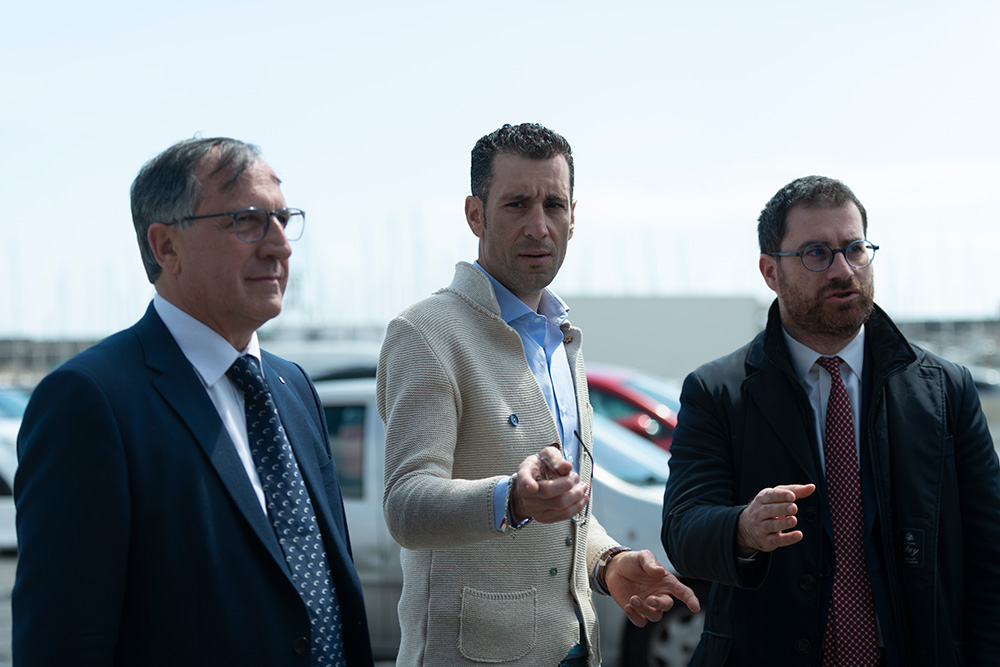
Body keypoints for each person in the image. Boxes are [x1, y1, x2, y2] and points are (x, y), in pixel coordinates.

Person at [13, 137, 374, 666]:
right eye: (248, 221)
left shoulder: (293, 387)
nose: (280, 246)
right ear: (166, 247)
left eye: (282, 219)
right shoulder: (89, 402)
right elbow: (64, 642)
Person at [376, 122, 699, 666]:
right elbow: (406, 506)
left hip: (576, 648)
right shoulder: (425, 333)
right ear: (475, 215)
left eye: (553, 205)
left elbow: (562, 511)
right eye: (517, 204)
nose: (538, 226)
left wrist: (608, 563)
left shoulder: (561, 337)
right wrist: (512, 499)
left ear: (573, 216)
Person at [661, 175, 1000, 666]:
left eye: (855, 249)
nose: (843, 270)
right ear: (770, 272)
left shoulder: (946, 390)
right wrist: (743, 529)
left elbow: (989, 553)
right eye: (816, 253)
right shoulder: (718, 391)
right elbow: (683, 530)